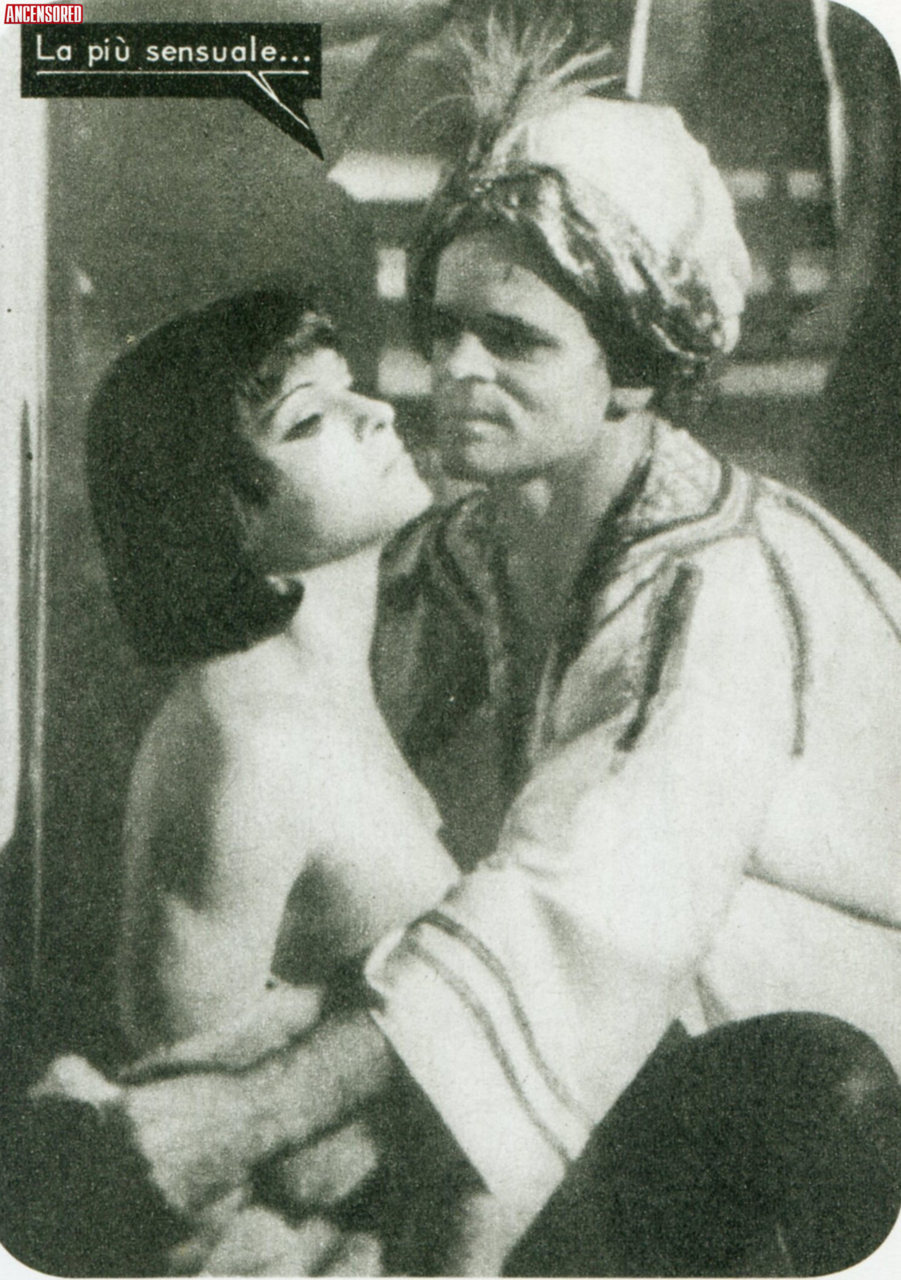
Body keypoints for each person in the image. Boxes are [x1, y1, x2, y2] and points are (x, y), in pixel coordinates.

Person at [36, 19, 901, 1277]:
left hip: (809, 1048)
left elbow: (576, 909)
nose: (453, 370)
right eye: (443, 327)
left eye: (515, 339)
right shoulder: (474, 545)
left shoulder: (719, 591)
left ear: (632, 370)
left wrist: (242, 1112)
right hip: (592, 1047)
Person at [42, 287, 509, 1275]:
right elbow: (181, 1167)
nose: (375, 412)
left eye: (351, 388)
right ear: (217, 518)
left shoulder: (334, 681)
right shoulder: (240, 745)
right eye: (308, 419)